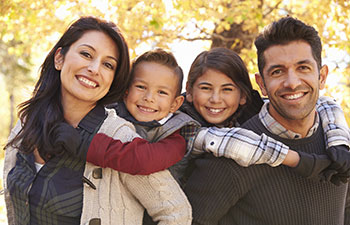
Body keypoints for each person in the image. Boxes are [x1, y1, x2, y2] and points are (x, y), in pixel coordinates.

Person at [2, 17, 190, 225]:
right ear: (59, 58)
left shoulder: (119, 139)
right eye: (86, 54)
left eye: (108, 64)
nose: (94, 68)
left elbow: (176, 214)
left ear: (113, 79)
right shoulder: (28, 120)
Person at [184, 17, 350, 224]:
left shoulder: (339, 145)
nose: (292, 82)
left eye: (303, 68)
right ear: (261, 84)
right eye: (277, 71)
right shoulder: (232, 157)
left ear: (322, 76)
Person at [80, 48, 198, 224]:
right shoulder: (108, 116)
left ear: (175, 103)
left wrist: (81, 144)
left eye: (162, 92)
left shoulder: (177, 135)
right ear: (126, 90)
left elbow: (144, 159)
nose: (149, 98)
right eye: (141, 87)